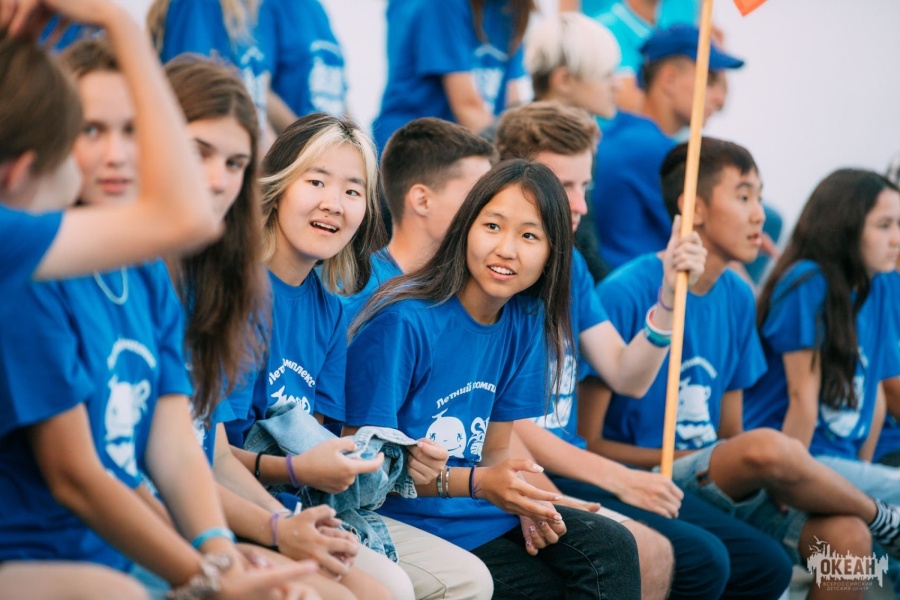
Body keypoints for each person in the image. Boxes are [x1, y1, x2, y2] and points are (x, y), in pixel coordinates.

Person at [495, 101, 799, 600]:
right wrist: (621, 478)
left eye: (585, 186)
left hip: (572, 465)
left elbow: (626, 374)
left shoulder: (571, 267)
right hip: (531, 472)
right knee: (701, 561)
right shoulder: (501, 272)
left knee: (763, 564)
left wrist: (668, 300)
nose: (580, 205)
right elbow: (511, 425)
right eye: (564, 186)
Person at [584, 137, 900, 600]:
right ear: (695, 209)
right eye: (744, 196)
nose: (759, 214)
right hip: (644, 478)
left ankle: (871, 521)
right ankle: (884, 517)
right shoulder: (625, 292)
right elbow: (589, 442)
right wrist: (697, 456)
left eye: (760, 196)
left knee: (848, 542)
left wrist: (765, 472)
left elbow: (729, 430)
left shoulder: (736, 296)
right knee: (768, 446)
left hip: (714, 476)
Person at [223, 112, 494, 600]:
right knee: (387, 589)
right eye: (316, 181)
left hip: (300, 502)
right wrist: (298, 473)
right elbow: (212, 456)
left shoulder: (329, 308)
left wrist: (398, 458)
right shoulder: (238, 294)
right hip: (236, 506)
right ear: (278, 186)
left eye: (352, 191)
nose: (333, 204)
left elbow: (317, 443)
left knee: (470, 579)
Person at [345, 159, 642, 599]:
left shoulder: (525, 319)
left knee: (612, 545)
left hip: (476, 510)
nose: (506, 249)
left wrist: (524, 499)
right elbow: (360, 466)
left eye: (529, 236)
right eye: (492, 227)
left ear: (553, 254)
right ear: (466, 228)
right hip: (408, 518)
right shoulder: (404, 321)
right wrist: (482, 485)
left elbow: (494, 450)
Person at [0, 0, 219, 294]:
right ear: (18, 171)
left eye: (132, 129)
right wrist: (118, 21)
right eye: (89, 130)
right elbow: (189, 218)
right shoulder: (13, 243)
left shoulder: (149, 271)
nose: (115, 156)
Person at [747, 169, 900, 498]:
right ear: (845, 225)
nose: (896, 239)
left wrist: (862, 476)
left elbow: (875, 397)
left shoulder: (882, 284)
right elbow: (801, 397)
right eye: (884, 225)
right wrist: (786, 485)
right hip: (796, 454)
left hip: (842, 462)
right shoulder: (808, 281)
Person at [591, 23, 743, 271]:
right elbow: (714, 244)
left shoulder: (622, 132)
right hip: (648, 289)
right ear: (669, 79)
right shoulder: (656, 151)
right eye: (709, 80)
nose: (719, 99)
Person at [343, 116, 497, 320]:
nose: (488, 209)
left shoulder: (469, 293)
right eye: (475, 195)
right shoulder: (362, 302)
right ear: (422, 201)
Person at [522, 11, 621, 282]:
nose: (618, 84)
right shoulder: (514, 144)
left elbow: (584, 245)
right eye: (606, 74)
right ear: (564, 80)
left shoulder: (583, 140)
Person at [372, 0, 535, 150]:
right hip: (417, 147)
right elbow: (467, 108)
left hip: (467, 145)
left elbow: (511, 102)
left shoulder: (510, 7)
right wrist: (514, 157)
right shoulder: (443, 4)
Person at [258, 0, 348, 119]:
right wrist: (302, 130)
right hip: (295, 127)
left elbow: (338, 95)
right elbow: (261, 90)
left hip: (330, 127)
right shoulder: (269, 6)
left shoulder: (317, 8)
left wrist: (352, 129)